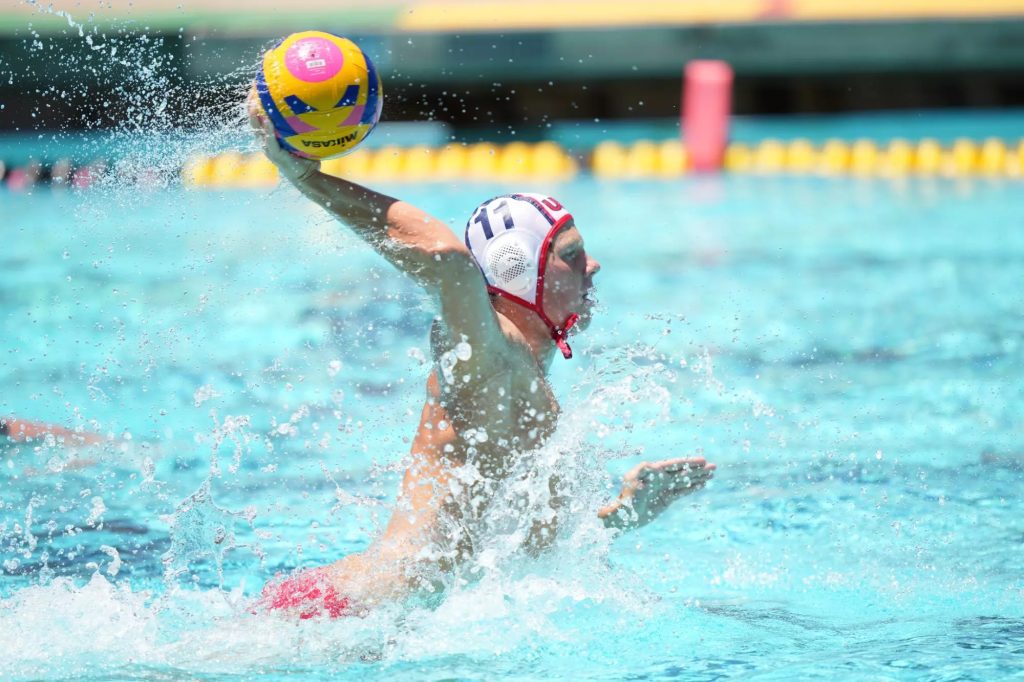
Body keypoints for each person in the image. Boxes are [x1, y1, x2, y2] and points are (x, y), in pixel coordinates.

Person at [251, 114, 716, 620]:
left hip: (378, 616)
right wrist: (307, 179)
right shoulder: (488, 352)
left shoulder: (526, 378)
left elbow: (520, 550)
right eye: (572, 254)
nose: (594, 265)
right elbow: (447, 259)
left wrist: (625, 514)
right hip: (350, 609)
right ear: (520, 269)